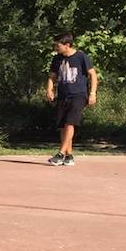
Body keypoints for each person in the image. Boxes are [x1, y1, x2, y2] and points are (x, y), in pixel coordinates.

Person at [46, 32, 97, 166]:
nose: (56, 48)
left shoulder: (81, 57)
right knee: (63, 125)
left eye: (58, 45)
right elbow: (52, 76)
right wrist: (49, 90)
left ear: (67, 45)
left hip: (78, 94)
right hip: (63, 95)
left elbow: (93, 75)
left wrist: (92, 93)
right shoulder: (57, 59)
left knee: (70, 122)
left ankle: (60, 154)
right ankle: (69, 156)